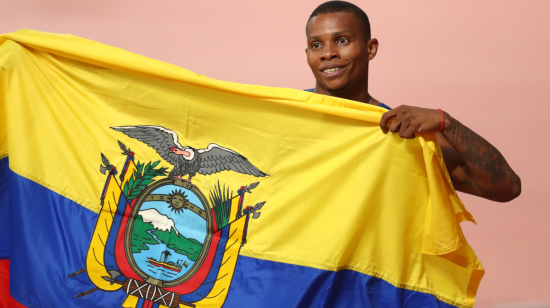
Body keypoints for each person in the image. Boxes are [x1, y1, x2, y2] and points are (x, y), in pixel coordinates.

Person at [305, 1, 521, 202]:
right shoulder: (280, 117)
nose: (327, 53)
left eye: (342, 41)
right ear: (307, 54)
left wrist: (447, 122)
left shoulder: (400, 132)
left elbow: (506, 188)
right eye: (316, 45)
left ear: (370, 48)